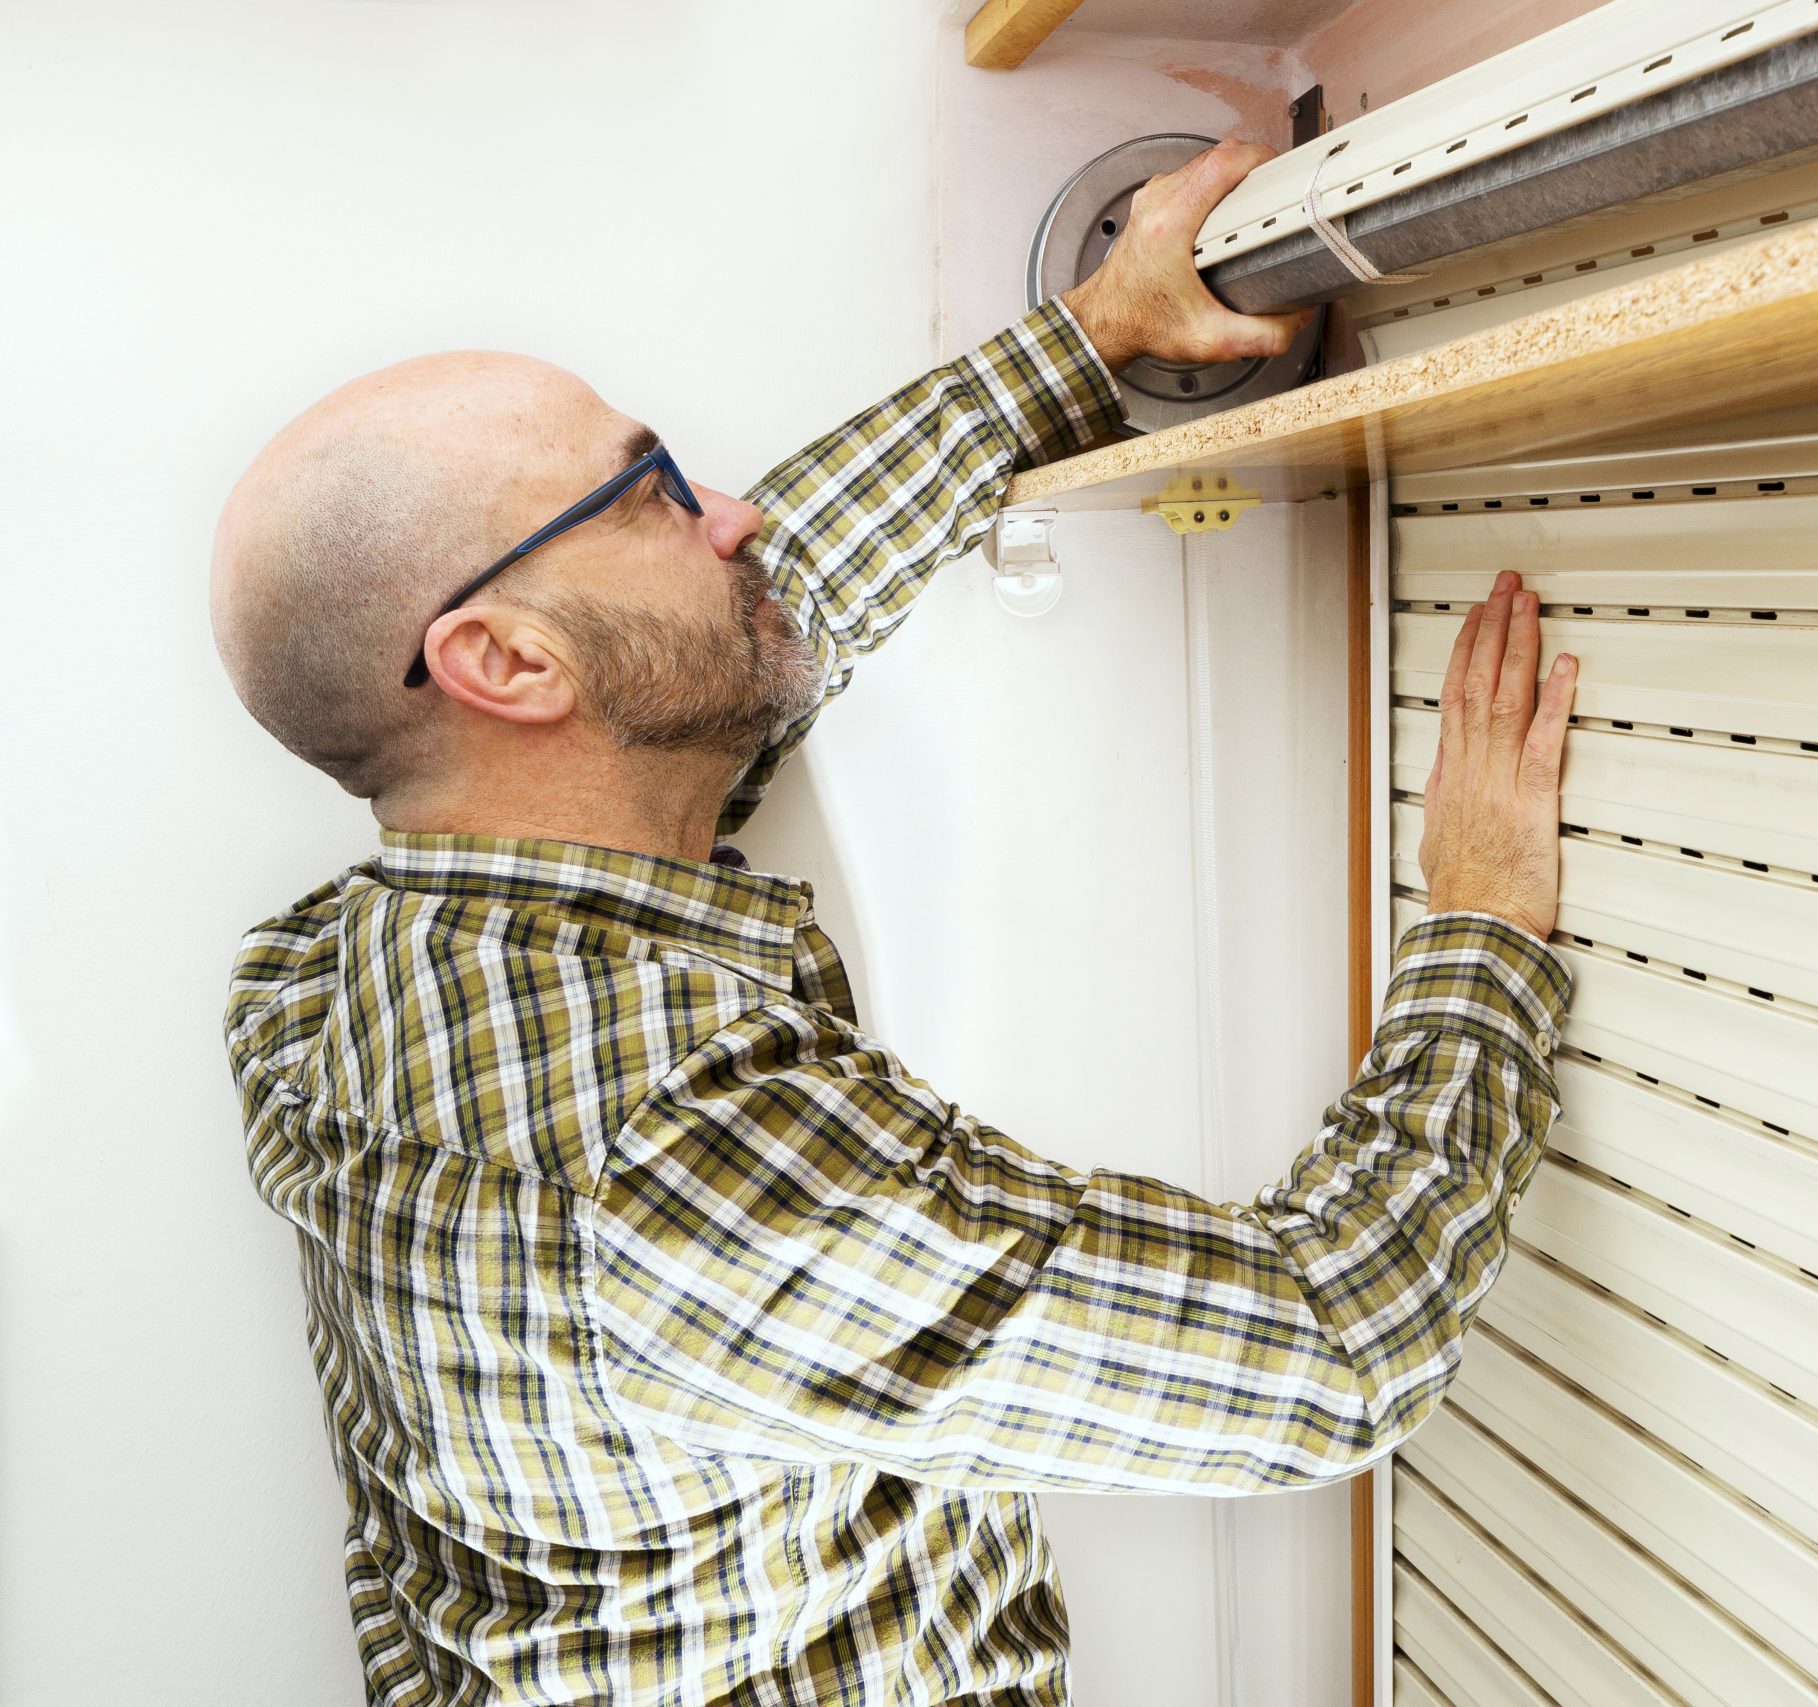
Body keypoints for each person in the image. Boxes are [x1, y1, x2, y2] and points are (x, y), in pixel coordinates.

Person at [212, 137, 1578, 1705]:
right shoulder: (667, 1168)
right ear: (508, 665)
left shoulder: (321, 981)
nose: (730, 515)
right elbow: (1329, 1344)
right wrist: (1482, 926)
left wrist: (1089, 339)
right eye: (651, 495)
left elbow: (741, 619)